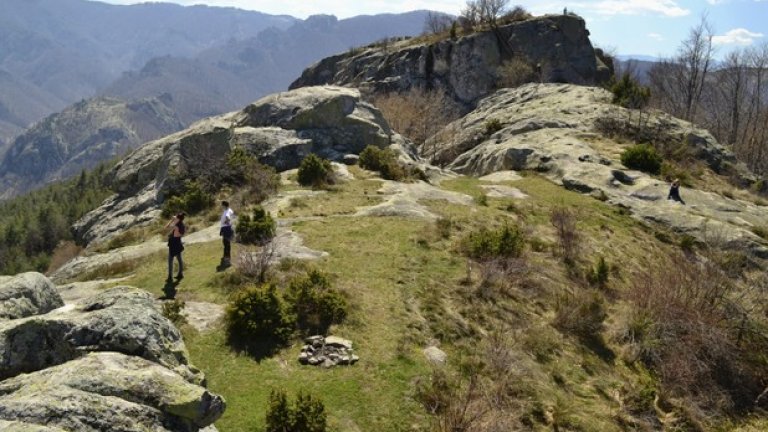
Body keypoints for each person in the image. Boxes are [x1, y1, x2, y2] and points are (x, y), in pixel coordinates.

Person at [166, 212, 186, 282]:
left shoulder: (176, 226)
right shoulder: (182, 225)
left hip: (173, 244)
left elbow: (166, 227)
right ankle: (180, 274)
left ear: (179, 219)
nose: (175, 218)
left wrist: (172, 220)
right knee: (179, 259)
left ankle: (170, 277)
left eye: (176, 217)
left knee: (170, 261)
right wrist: (176, 219)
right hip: (178, 243)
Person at [219, 200, 235, 268]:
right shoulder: (229, 210)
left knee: (226, 244)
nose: (221, 206)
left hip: (226, 228)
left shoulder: (227, 211)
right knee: (226, 243)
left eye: (222, 205)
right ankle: (226, 257)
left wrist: (226, 223)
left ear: (224, 205)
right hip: (227, 228)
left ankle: (227, 259)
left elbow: (227, 218)